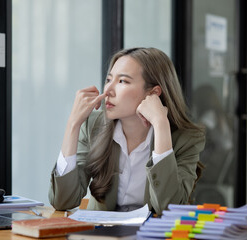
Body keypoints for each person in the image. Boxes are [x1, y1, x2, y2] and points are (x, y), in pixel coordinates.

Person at [48, 47, 205, 215]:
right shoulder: (93, 126)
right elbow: (63, 201)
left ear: (153, 93)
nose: (108, 90)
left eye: (122, 81)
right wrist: (73, 124)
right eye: (109, 79)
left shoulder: (186, 139)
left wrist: (160, 125)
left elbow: (169, 207)